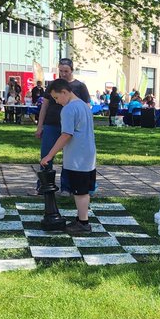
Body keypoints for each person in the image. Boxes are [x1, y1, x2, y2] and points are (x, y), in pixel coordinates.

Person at [39, 79, 97, 234]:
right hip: (88, 155)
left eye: (57, 98)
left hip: (77, 157)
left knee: (80, 191)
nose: (57, 102)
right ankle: (81, 218)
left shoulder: (69, 109)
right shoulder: (84, 106)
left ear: (64, 92)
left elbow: (66, 135)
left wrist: (49, 155)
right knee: (83, 190)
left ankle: (83, 223)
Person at [34, 58, 75, 195]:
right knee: (46, 155)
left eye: (66, 71)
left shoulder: (79, 86)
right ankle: (44, 185)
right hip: (51, 124)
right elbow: (44, 106)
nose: (63, 74)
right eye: (61, 71)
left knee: (68, 157)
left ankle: (66, 187)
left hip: (69, 127)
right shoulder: (53, 85)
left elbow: (85, 107)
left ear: (71, 70)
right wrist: (40, 126)